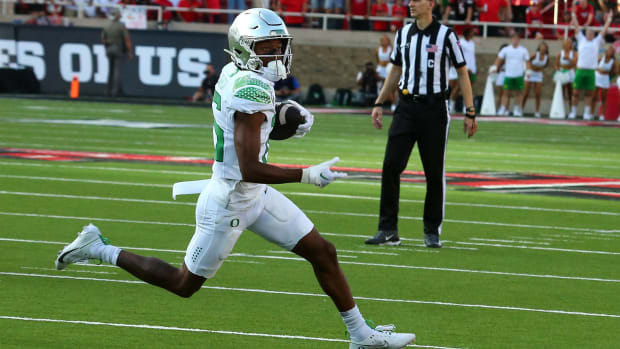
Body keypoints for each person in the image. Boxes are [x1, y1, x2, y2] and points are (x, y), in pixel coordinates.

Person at [55, 8, 416, 349]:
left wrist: (284, 118)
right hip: (230, 199)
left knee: (323, 252)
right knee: (183, 284)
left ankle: (361, 334)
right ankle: (98, 248)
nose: (276, 56)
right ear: (245, 49)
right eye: (266, 49)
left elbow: (253, 133)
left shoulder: (235, 74)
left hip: (252, 194)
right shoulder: (252, 88)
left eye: (279, 48)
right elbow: (250, 165)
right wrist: (308, 174)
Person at [365, 0, 478, 248]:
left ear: (431, 3)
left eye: (417, 0)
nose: (411, 4)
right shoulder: (403, 33)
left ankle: (432, 229)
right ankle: (387, 229)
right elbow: (395, 69)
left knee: (433, 172)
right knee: (391, 165)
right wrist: (379, 102)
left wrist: (470, 111)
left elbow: (462, 72)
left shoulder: (446, 35)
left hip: (434, 109)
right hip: (406, 107)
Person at [569, 11, 612, 120]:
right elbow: (576, 26)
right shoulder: (581, 39)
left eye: (592, 33)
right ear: (585, 33)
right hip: (580, 70)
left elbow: (604, 31)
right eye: (588, 33)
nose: (590, 34)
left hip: (591, 71)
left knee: (589, 94)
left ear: (594, 35)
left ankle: (587, 113)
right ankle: (573, 112)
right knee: (575, 92)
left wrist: (609, 20)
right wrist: (573, 15)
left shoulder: (596, 41)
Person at [491, 32, 529, 117]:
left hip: (518, 75)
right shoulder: (506, 49)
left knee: (519, 93)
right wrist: (494, 67)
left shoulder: (523, 50)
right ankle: (503, 108)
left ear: (519, 40)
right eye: (513, 38)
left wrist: (528, 72)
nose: (515, 40)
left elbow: (527, 62)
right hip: (508, 75)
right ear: (511, 39)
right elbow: (499, 59)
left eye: (517, 39)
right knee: (505, 93)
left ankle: (516, 110)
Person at [102, 8, 133, 97]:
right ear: (118, 16)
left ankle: (107, 90)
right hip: (117, 48)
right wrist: (130, 51)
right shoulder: (121, 25)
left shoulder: (106, 25)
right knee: (116, 71)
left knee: (110, 70)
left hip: (109, 48)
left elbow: (103, 40)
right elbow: (127, 40)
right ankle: (114, 91)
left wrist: (106, 49)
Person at [448, 26, 476, 114]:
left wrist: (474, 67)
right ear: (467, 33)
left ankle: (466, 106)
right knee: (457, 88)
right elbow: (457, 54)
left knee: (469, 88)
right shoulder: (461, 42)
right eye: (472, 32)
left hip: (472, 69)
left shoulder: (472, 43)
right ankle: (451, 105)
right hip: (464, 68)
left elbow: (472, 56)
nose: (473, 33)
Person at [521, 41, 549, 118]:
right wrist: (528, 70)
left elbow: (545, 65)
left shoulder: (547, 57)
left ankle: (537, 111)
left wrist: (539, 69)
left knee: (538, 94)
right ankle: (521, 109)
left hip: (538, 75)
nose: (543, 49)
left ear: (546, 49)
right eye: (541, 47)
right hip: (530, 74)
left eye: (544, 47)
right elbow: (527, 61)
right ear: (539, 48)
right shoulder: (534, 55)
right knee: (525, 93)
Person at [592, 45, 616, 120]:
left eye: (612, 51)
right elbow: (594, 66)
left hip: (605, 79)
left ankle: (602, 114)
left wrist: (606, 73)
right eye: (609, 50)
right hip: (597, 77)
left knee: (603, 98)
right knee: (594, 96)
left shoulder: (613, 62)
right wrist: (598, 71)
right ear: (606, 51)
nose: (610, 52)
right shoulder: (601, 58)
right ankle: (591, 113)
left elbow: (613, 72)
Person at [554, 38, 576, 107]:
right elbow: (556, 64)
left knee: (571, 92)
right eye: (565, 43)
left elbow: (575, 63)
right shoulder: (560, 53)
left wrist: (569, 59)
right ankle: (560, 108)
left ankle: (571, 110)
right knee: (561, 92)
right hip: (562, 72)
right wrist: (558, 72)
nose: (567, 45)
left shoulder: (574, 53)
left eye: (568, 43)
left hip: (570, 72)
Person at [375, 35, 394, 108]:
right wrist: (381, 63)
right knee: (379, 86)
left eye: (386, 40)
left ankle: (392, 104)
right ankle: (379, 103)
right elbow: (377, 59)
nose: (384, 41)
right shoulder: (378, 49)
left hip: (387, 69)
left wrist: (386, 62)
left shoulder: (390, 49)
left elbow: (392, 59)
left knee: (388, 86)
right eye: (383, 40)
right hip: (380, 68)